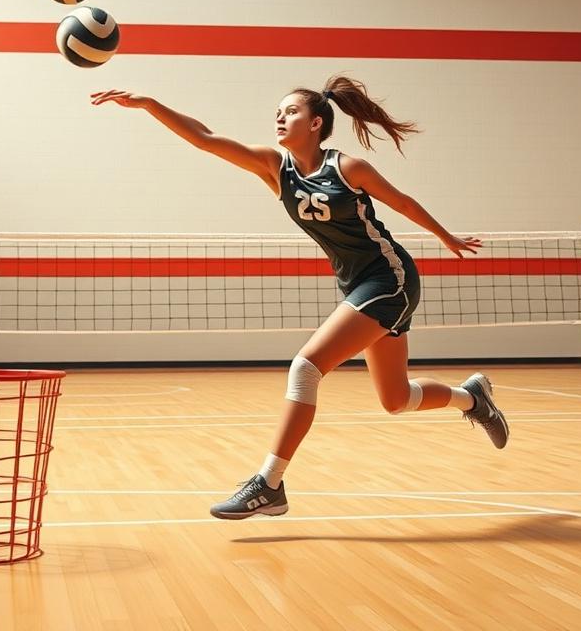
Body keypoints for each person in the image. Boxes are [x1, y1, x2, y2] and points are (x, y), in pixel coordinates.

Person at [90, 75, 509, 521]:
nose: (280, 116)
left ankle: (268, 484)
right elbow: (205, 139)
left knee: (305, 368)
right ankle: (472, 398)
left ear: (316, 123)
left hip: (390, 278)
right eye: (278, 111)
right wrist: (150, 103)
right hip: (356, 284)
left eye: (291, 111)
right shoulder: (275, 166)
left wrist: (446, 237)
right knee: (396, 399)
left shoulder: (348, 168)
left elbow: (403, 203)